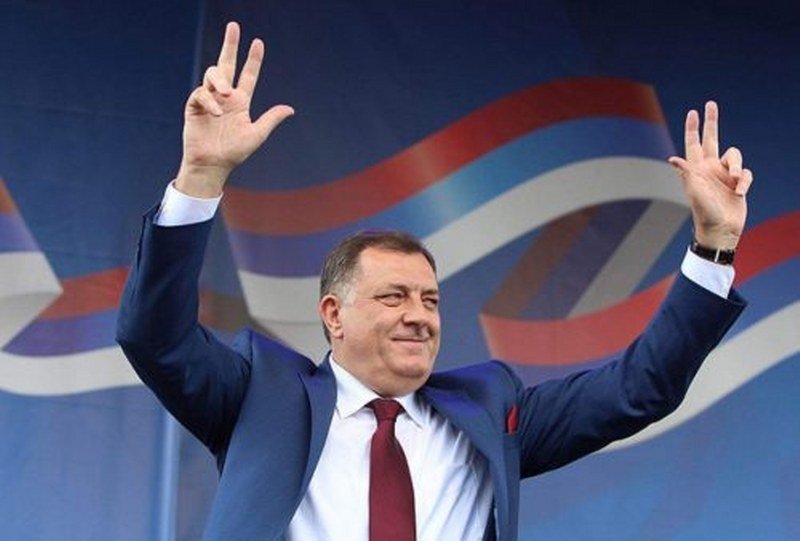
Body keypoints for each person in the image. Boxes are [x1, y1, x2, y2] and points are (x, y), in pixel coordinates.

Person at [116, 22, 751, 541]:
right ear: (334, 314)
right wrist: (201, 177)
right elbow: (154, 337)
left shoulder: (491, 411)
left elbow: (639, 389)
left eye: (430, 300)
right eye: (393, 297)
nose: (418, 315)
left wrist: (713, 245)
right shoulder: (261, 395)